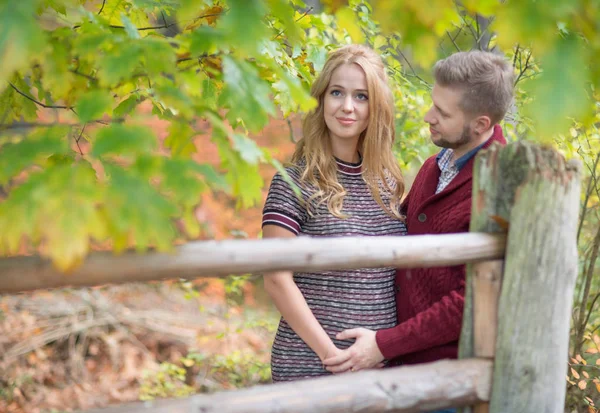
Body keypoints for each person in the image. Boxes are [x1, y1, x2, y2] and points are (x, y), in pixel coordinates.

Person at [323, 50, 515, 408]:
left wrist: (384, 344)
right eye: (432, 104)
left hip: (446, 382)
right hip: (397, 372)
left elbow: (471, 300)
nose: (429, 117)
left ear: (480, 124)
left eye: (442, 113)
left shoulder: (500, 186)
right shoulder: (434, 166)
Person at [261, 44, 407, 382]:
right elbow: (276, 279)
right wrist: (333, 356)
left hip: (377, 369)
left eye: (361, 96)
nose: (347, 107)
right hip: (314, 365)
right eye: (337, 93)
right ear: (321, 99)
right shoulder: (294, 181)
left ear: (376, 106)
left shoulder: (387, 182)